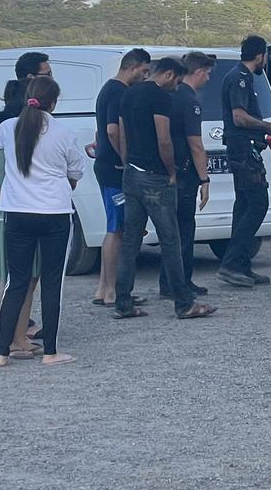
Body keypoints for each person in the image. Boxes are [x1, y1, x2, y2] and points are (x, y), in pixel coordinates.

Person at [0, 76, 85, 367]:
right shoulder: (63, 132)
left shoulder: (9, 127)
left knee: (16, 281)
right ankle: (50, 351)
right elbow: (76, 169)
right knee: (52, 284)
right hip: (54, 213)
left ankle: (1, 352)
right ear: (53, 102)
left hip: (16, 213)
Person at [115, 57, 217, 320]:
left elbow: (123, 135)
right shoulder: (160, 97)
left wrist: (127, 163)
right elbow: (164, 139)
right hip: (155, 178)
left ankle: (123, 302)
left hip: (132, 175)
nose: (178, 86)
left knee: (130, 241)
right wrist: (171, 171)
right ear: (169, 74)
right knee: (171, 240)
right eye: (177, 80)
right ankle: (184, 302)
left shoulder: (127, 94)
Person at [0, 79, 42, 356]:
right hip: (14, 214)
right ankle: (15, 339)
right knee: (20, 279)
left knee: (16, 278)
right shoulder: (17, 136)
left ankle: (14, 335)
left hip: (4, 213)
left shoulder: (1, 135)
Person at [217, 35, 271, 288]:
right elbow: (239, 117)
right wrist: (267, 125)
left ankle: (240, 264)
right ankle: (232, 263)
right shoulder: (240, 79)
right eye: (264, 56)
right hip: (244, 149)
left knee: (244, 205)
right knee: (258, 202)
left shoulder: (238, 77)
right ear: (259, 55)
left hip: (243, 148)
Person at [92, 48, 152, 306]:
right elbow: (113, 131)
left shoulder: (107, 89)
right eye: (144, 71)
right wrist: (127, 162)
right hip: (114, 170)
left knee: (117, 227)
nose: (145, 76)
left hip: (107, 165)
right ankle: (111, 291)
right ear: (133, 67)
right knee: (117, 229)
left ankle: (103, 288)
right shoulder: (118, 92)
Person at [158, 51, 215, 300]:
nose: (208, 80)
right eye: (208, 74)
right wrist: (204, 179)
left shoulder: (170, 95)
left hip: (169, 171)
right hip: (184, 172)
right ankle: (179, 283)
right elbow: (196, 144)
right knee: (184, 229)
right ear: (199, 72)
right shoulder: (189, 100)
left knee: (172, 230)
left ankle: (170, 281)